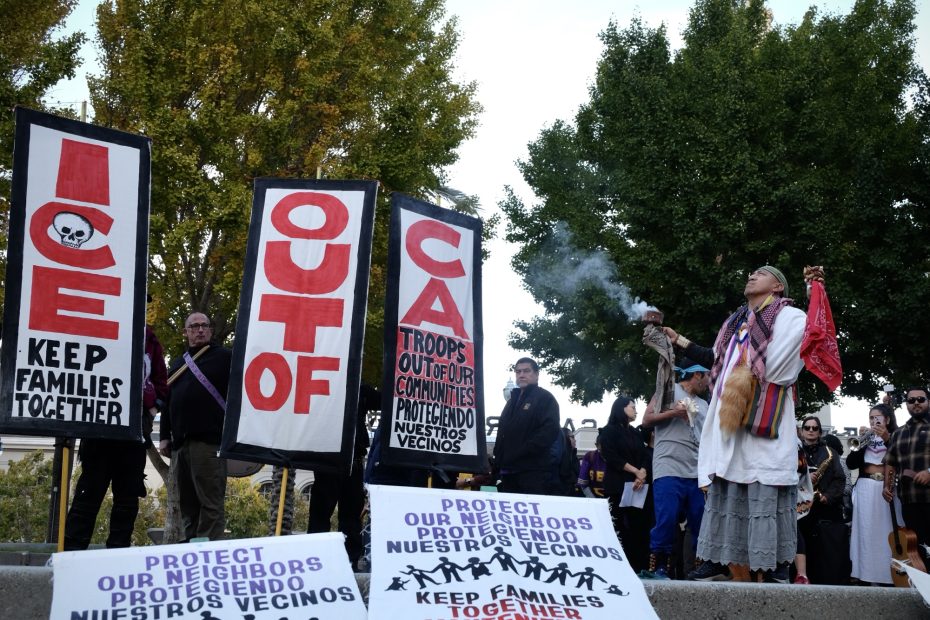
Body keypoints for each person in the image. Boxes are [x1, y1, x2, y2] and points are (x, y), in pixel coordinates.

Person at [665, 266, 807, 583]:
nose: (752, 276)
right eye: (751, 273)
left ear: (778, 286)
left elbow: (782, 366)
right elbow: (717, 358)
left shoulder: (790, 316)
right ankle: (719, 557)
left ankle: (773, 564)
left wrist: (748, 378)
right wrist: (681, 341)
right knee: (728, 480)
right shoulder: (736, 321)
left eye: (761, 274)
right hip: (729, 412)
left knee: (764, 483)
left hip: (763, 411)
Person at [64, 325, 169, 550]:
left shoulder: (150, 338)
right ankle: (71, 552)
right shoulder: (102, 327)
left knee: (127, 500)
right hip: (100, 427)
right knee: (88, 495)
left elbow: (161, 379)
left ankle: (117, 553)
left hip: (134, 430)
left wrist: (152, 409)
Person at [159, 312, 232, 541]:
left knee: (210, 504)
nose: (199, 330)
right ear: (186, 332)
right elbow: (169, 401)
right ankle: (190, 547)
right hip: (181, 445)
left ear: (210, 330)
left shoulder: (225, 358)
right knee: (188, 505)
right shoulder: (178, 363)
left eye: (204, 326)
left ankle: (208, 553)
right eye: (194, 326)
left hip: (209, 442)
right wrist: (164, 436)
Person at [642, 357, 710, 579]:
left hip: (696, 471)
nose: (709, 382)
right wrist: (674, 413)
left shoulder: (706, 404)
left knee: (701, 520)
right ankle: (659, 568)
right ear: (697, 374)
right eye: (707, 377)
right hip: (668, 466)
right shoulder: (668, 391)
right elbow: (646, 420)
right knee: (667, 518)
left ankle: (702, 568)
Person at [308, 384, 379, 569]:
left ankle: (350, 559)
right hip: (328, 456)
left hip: (349, 458)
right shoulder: (327, 379)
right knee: (324, 512)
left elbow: (382, 400)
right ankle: (318, 557)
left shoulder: (359, 386)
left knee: (349, 514)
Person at [847, 404, 901, 585]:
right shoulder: (866, 438)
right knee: (866, 531)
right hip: (866, 487)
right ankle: (867, 575)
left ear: (887, 419)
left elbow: (901, 457)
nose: (874, 421)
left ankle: (890, 574)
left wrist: (886, 438)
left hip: (887, 487)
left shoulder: (896, 436)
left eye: (878, 417)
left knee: (888, 531)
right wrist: (863, 441)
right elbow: (851, 463)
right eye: (871, 418)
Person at [493, 357, 560, 495]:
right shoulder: (511, 401)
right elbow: (502, 433)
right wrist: (497, 460)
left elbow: (549, 431)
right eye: (518, 372)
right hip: (508, 473)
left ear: (536, 374)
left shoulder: (545, 398)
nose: (521, 375)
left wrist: (524, 451)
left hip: (533, 472)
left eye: (526, 371)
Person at [599, 396, 651, 573]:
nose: (636, 410)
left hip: (638, 487)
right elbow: (611, 456)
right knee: (620, 528)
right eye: (632, 407)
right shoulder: (608, 431)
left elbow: (644, 454)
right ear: (621, 409)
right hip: (617, 486)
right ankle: (619, 568)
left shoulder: (635, 433)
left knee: (639, 528)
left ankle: (640, 567)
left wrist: (642, 472)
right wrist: (635, 471)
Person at [796, 416, 848, 584]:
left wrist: (828, 496)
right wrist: (804, 476)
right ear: (802, 431)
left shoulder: (829, 452)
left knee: (823, 544)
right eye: (807, 428)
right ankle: (801, 575)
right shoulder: (794, 450)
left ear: (819, 432)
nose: (811, 431)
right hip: (800, 504)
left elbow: (840, 478)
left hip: (823, 505)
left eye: (814, 428)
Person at [883, 386, 930, 566]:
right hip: (909, 501)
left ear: (928, 401)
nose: (916, 403)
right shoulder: (899, 433)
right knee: (917, 550)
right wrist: (886, 486)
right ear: (906, 405)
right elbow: (890, 461)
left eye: (921, 399)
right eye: (911, 400)